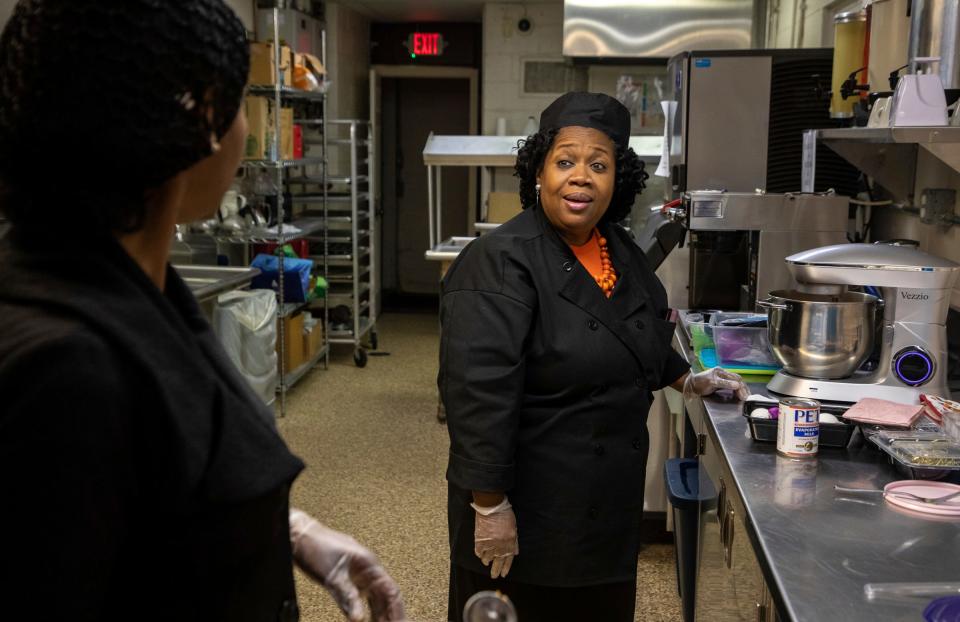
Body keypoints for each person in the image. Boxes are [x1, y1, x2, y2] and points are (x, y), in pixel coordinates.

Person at [0, 3, 405, 621]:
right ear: (202, 119)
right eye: (242, 100)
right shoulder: (66, 367)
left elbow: (150, 483)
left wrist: (284, 531)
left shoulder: (125, 282)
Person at [439, 92, 750, 621]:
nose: (580, 178)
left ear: (618, 180)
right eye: (565, 161)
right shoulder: (498, 262)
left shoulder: (619, 251)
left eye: (598, 165)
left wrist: (686, 379)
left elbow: (636, 331)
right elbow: (477, 393)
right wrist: (489, 505)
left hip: (605, 509)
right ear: (539, 171)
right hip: (531, 505)